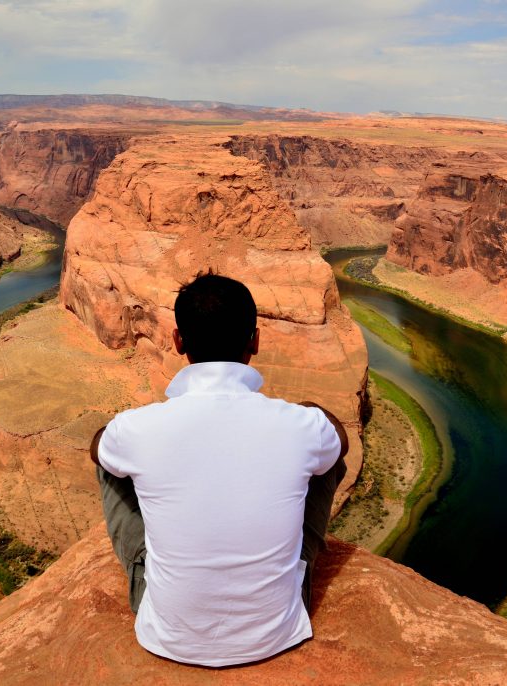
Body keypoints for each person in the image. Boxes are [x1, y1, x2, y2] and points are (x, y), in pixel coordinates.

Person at [90, 273, 348, 667]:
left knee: (109, 459)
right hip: (276, 630)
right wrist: (313, 411)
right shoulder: (301, 425)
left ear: (178, 342)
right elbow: (339, 441)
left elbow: (98, 447)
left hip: (168, 636)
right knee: (326, 453)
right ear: (255, 341)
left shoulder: (139, 427)